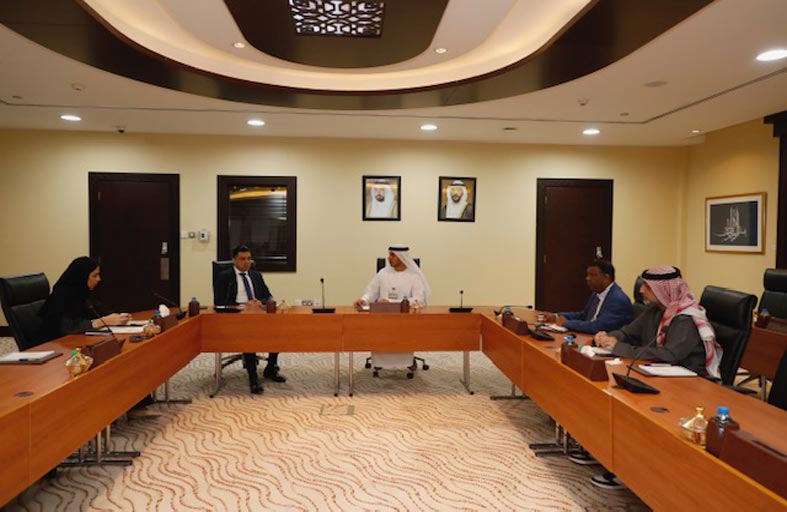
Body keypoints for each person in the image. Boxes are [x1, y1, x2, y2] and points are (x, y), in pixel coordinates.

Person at [589, 265, 721, 490]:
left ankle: (634, 470)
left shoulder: (686, 318)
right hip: (657, 374)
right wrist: (607, 337)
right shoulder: (655, 310)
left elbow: (669, 355)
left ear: (664, 289)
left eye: (647, 286)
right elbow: (628, 332)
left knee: (635, 411)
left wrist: (618, 347)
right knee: (616, 397)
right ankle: (610, 456)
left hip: (687, 386)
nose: (641, 290)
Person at [214, 245, 285, 394]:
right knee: (249, 335)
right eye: (242, 259)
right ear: (234, 260)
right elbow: (219, 302)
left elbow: (267, 295)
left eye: (248, 259)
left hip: (257, 314)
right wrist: (243, 305)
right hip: (236, 318)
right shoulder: (224, 277)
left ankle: (270, 368)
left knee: (279, 331)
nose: (246, 262)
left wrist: (261, 302)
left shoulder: (256, 275)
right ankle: (253, 378)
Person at [354, 244, 430, 371]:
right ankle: (379, 362)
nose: (389, 258)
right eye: (389, 254)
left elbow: (418, 299)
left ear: (402, 257)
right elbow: (371, 292)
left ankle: (407, 361)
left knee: (403, 334)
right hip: (383, 317)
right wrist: (363, 300)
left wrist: (392, 302)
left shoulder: (414, 276)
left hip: (405, 318)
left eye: (392, 255)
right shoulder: (382, 273)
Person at [40, 256, 131, 341]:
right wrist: (100, 322)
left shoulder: (83, 292)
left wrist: (118, 317)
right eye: (95, 275)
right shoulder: (61, 295)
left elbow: (99, 310)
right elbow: (67, 327)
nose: (99, 279)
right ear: (82, 276)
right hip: (55, 344)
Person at [544, 260, 633, 334]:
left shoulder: (617, 299)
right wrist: (557, 316)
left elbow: (597, 327)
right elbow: (584, 315)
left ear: (606, 277)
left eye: (592, 275)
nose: (587, 278)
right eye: (587, 275)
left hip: (607, 344)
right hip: (590, 337)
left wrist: (566, 323)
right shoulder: (597, 294)